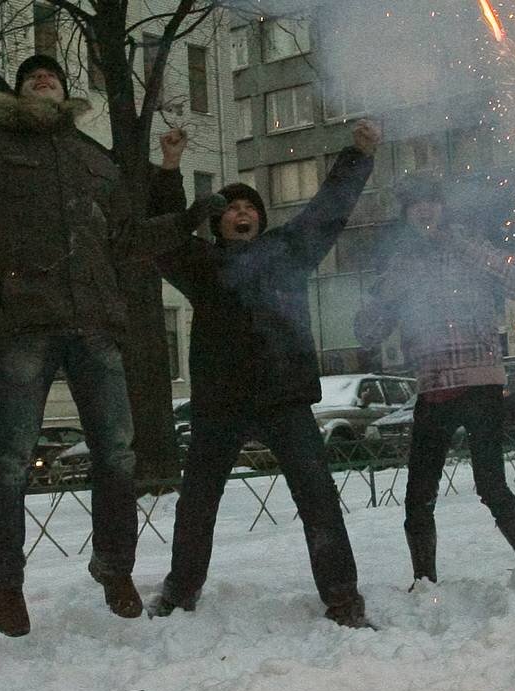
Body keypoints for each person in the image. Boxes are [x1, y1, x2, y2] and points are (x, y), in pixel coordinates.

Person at [0, 54, 200, 636]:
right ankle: (5, 582)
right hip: (27, 324)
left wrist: (185, 219)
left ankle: (115, 568)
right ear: (20, 93)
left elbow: (127, 240)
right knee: (9, 461)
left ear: (63, 92)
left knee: (118, 455)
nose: (43, 78)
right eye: (32, 76)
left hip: (97, 327)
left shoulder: (93, 160)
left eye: (51, 75)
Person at [148, 120, 382, 628]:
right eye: (231, 208)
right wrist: (169, 168)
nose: (241, 212)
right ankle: (180, 590)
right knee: (197, 505)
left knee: (318, 499)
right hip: (220, 404)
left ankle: (343, 598)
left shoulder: (286, 254)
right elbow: (165, 235)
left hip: (284, 398)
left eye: (249, 207)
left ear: (260, 219)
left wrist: (358, 156)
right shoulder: (202, 265)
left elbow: (326, 213)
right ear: (218, 224)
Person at [354, 178, 515, 596]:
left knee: (493, 487)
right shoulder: (402, 263)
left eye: (432, 202)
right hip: (432, 388)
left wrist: (457, 244)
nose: (425, 211)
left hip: (480, 383)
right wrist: (386, 291)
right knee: (418, 496)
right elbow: (368, 333)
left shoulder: (469, 246)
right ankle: (424, 584)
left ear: (444, 209)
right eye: (416, 206)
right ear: (406, 216)